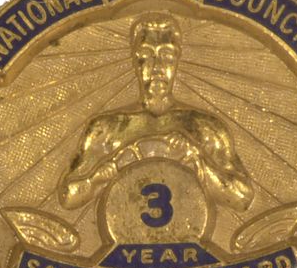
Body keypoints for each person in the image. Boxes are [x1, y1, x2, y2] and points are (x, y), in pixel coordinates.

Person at [58, 13, 254, 213]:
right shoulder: (105, 129)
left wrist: (197, 159)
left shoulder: (206, 128)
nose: (157, 67)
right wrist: (103, 174)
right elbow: (68, 197)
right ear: (136, 60)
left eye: (166, 55)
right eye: (147, 55)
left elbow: (242, 197)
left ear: (177, 59)